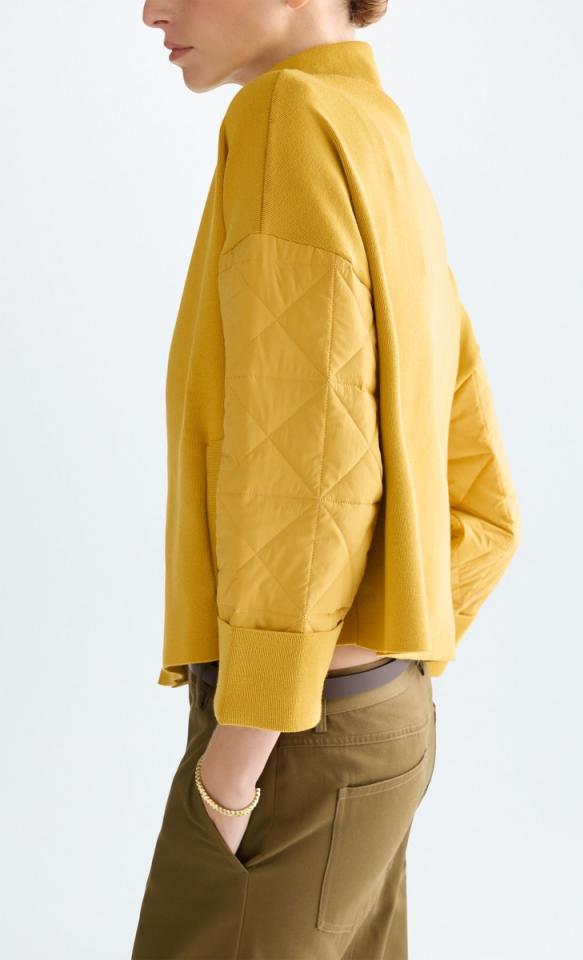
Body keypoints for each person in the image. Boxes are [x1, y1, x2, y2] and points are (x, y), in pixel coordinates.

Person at [132, 1, 521, 958]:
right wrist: (389, 642)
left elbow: (300, 465)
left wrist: (236, 763)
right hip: (382, 720)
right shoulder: (376, 129)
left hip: (288, 741)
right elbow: (480, 486)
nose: (150, 11)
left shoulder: (287, 118)